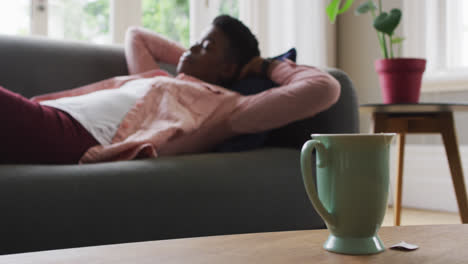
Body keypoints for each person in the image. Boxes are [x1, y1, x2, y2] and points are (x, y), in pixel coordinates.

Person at [0, 15, 340, 164]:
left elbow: (323, 89)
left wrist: (264, 65)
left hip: (78, 136)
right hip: (51, 116)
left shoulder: (227, 109)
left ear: (228, 68)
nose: (191, 48)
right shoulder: (161, 82)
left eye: (205, 46)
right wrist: (193, 61)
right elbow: (138, 35)